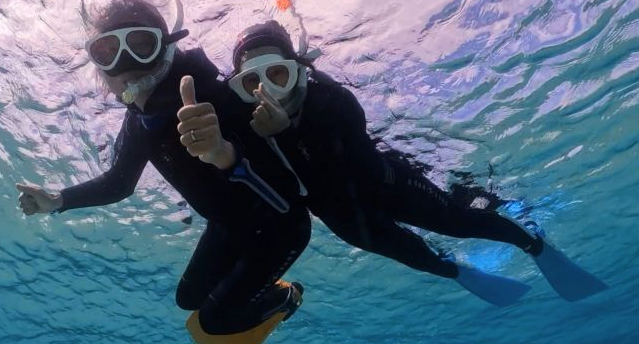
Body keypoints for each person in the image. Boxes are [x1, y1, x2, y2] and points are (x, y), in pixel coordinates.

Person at [227, 19, 607, 304]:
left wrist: (286, 133)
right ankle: (455, 269)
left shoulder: (332, 100)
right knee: (419, 258)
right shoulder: (247, 127)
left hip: (387, 184)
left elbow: (351, 162)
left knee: (461, 223)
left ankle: (534, 246)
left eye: (277, 73)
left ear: (296, 69)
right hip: (343, 217)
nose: (267, 89)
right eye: (251, 81)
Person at [16, 0, 311, 344]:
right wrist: (58, 201)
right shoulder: (141, 120)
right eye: (108, 51)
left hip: (280, 228)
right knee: (188, 299)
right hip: (228, 226)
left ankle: (286, 298)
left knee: (213, 321)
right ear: (98, 65)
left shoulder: (210, 96)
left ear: (165, 47)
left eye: (141, 45)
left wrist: (226, 155)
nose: (127, 63)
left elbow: (285, 197)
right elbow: (119, 183)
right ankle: (256, 287)